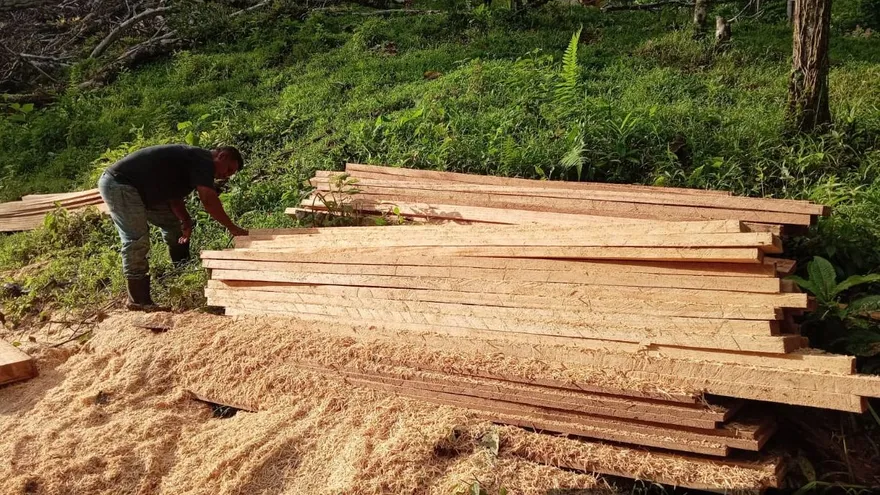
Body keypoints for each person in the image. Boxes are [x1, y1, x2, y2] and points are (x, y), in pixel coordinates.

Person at [97, 144, 249, 311]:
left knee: (173, 225)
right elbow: (208, 199)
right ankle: (138, 299)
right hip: (121, 184)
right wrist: (232, 228)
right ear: (222, 156)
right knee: (136, 239)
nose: (224, 176)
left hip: (140, 191)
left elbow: (173, 196)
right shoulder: (203, 160)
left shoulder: (192, 162)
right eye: (228, 170)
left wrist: (185, 220)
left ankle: (181, 268)